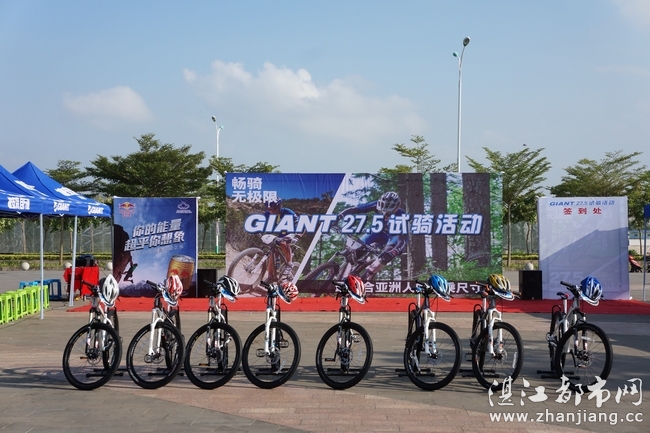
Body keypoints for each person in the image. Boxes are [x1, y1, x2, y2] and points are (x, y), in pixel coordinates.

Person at [336, 191, 407, 281]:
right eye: (381, 211)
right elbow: (355, 209)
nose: (384, 214)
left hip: (393, 237)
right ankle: (341, 277)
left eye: (388, 213)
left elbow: (402, 240)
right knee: (355, 249)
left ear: (396, 209)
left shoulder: (402, 216)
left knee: (385, 257)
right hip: (377, 232)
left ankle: (366, 276)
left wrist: (394, 251)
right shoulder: (375, 205)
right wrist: (338, 217)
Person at [264, 198, 301, 282]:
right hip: (280, 233)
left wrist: (297, 237)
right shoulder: (267, 214)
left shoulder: (289, 213)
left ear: (280, 206)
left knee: (283, 243)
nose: (271, 211)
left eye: (273, 209)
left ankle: (289, 264)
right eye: (269, 209)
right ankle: (271, 276)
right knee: (273, 252)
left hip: (292, 232)